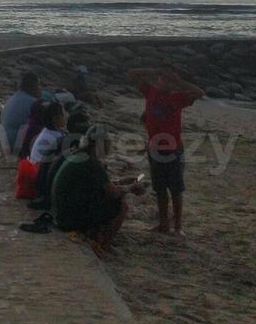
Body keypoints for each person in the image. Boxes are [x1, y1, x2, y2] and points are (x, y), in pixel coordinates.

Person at [128, 67, 204, 236]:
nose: (166, 83)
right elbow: (132, 75)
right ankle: (163, 223)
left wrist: (180, 82)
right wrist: (152, 70)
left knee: (176, 189)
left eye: (169, 80)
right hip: (154, 148)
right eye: (163, 79)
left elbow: (200, 93)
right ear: (158, 80)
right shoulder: (151, 92)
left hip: (173, 148)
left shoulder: (177, 98)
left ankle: (177, 226)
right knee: (160, 188)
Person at [50, 125, 147, 252]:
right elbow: (113, 192)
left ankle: (95, 235)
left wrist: (122, 182)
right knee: (121, 206)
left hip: (59, 214)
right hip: (68, 219)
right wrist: (130, 188)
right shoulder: (92, 162)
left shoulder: (79, 154)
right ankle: (103, 244)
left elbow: (102, 184)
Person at [0, 71, 39, 155]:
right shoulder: (32, 102)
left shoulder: (14, 97)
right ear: (33, 85)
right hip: (14, 145)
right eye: (38, 85)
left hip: (5, 139)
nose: (39, 88)